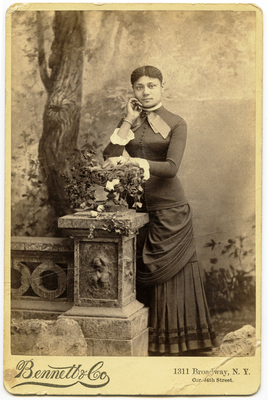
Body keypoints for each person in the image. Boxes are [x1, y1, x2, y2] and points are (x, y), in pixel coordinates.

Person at [103, 65, 219, 355]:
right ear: (133, 91)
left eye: (151, 86)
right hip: (139, 211)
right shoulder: (129, 122)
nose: (145, 92)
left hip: (170, 210)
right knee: (140, 271)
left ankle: (180, 344)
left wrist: (135, 163)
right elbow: (109, 157)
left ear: (162, 87)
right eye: (139, 87)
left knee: (171, 277)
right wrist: (127, 121)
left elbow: (171, 168)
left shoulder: (177, 123)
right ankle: (147, 343)